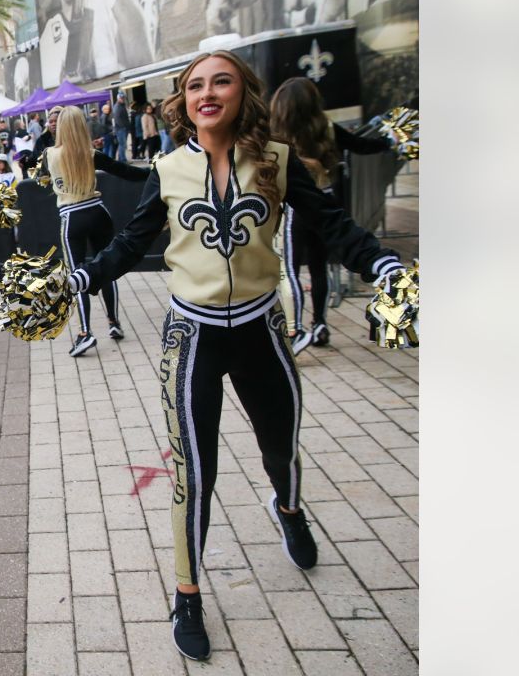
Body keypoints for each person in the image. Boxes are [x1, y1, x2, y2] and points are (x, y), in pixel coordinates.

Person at [66, 51, 406, 661]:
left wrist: (379, 262)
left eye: (220, 80)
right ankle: (187, 592)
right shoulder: (168, 169)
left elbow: (332, 224)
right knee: (194, 471)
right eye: (194, 84)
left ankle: (289, 507)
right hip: (191, 337)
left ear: (242, 93)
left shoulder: (275, 161)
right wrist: (82, 279)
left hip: (262, 330)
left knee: (281, 443)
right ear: (184, 101)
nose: (206, 92)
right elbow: (129, 242)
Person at [269, 76, 395, 353]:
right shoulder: (326, 128)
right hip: (326, 202)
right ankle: (320, 323)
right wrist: (392, 140)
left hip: (295, 207)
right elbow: (362, 145)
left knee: (288, 268)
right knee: (319, 267)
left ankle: (295, 329)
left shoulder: (275, 133)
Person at [37, 106, 149, 356]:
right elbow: (127, 172)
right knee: (106, 267)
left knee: (77, 274)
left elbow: (40, 175)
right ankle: (114, 323)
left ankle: (85, 333)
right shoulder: (91, 153)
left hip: (71, 216)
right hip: (98, 212)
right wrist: (155, 172)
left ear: (61, 127)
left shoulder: (49, 154)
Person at [113, 94, 131, 161]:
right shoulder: (117, 107)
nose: (122, 99)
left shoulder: (121, 106)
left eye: (123, 98)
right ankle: (122, 159)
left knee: (122, 144)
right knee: (122, 145)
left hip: (123, 128)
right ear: (118, 98)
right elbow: (117, 119)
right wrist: (123, 126)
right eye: (121, 98)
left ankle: (121, 158)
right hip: (120, 129)